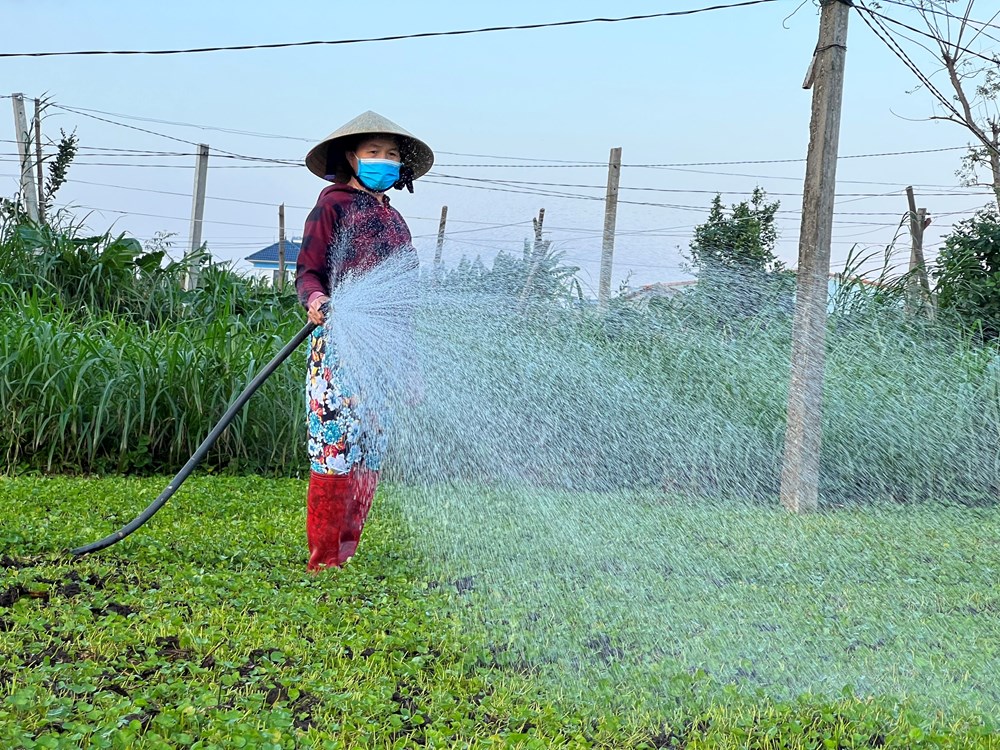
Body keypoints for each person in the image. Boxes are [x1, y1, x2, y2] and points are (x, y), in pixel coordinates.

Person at [295, 111, 433, 571]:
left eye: (391, 155)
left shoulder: (394, 220)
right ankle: (324, 559)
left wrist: (409, 366)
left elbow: (403, 300)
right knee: (335, 445)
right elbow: (309, 269)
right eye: (373, 152)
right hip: (339, 342)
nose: (383, 161)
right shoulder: (332, 204)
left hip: (387, 350)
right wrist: (315, 299)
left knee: (371, 448)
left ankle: (347, 552)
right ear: (351, 157)